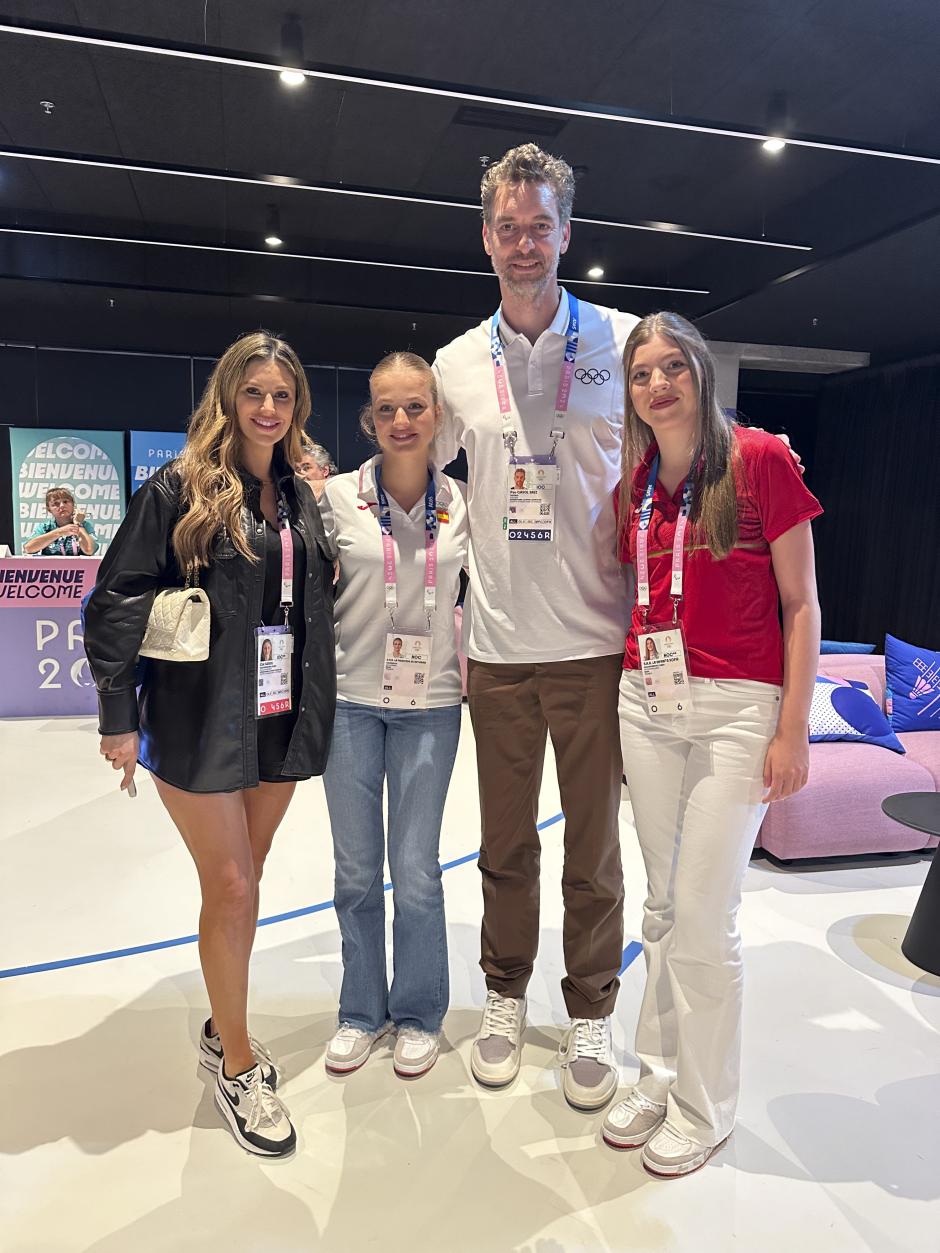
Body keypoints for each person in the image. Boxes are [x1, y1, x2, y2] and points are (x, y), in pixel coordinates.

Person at [83, 331, 337, 1158]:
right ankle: (235, 1063)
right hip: (196, 714)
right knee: (230, 885)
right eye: (255, 392)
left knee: (246, 881)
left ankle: (219, 1019)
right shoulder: (180, 487)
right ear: (228, 396)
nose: (270, 408)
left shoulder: (300, 493)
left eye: (284, 396)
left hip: (275, 710)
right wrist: (119, 714)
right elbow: (117, 596)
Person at [432, 143, 638, 1111]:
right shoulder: (453, 364)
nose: (524, 243)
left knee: (593, 850)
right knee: (505, 848)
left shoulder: (626, 342)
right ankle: (506, 994)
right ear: (486, 239)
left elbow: (678, 454)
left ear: (568, 233)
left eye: (539, 225)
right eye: (507, 227)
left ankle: (591, 1004)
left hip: (597, 646)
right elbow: (418, 484)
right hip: (501, 650)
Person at [601, 312, 822, 1177]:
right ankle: (658, 1075)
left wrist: (792, 728)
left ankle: (707, 1103)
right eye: (642, 373)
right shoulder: (639, 483)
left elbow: (802, 606)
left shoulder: (761, 460)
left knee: (701, 914)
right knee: (660, 910)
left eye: (672, 368)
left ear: (700, 372)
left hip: (738, 708)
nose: (658, 385)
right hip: (647, 701)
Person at [318, 352, 469, 1080]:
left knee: (414, 870)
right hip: (349, 705)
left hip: (432, 707)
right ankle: (359, 1011)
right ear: (369, 420)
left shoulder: (464, 504)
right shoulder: (336, 498)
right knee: (355, 871)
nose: (402, 421)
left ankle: (417, 1012)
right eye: (387, 408)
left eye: (416, 406)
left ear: (437, 414)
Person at [24, 487, 98, 555]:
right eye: (56, 504)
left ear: (73, 505)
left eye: (65, 502)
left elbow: (89, 550)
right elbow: (28, 548)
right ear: (49, 509)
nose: (62, 505)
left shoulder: (85, 526)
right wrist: (60, 532)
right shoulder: (45, 527)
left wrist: (78, 524)